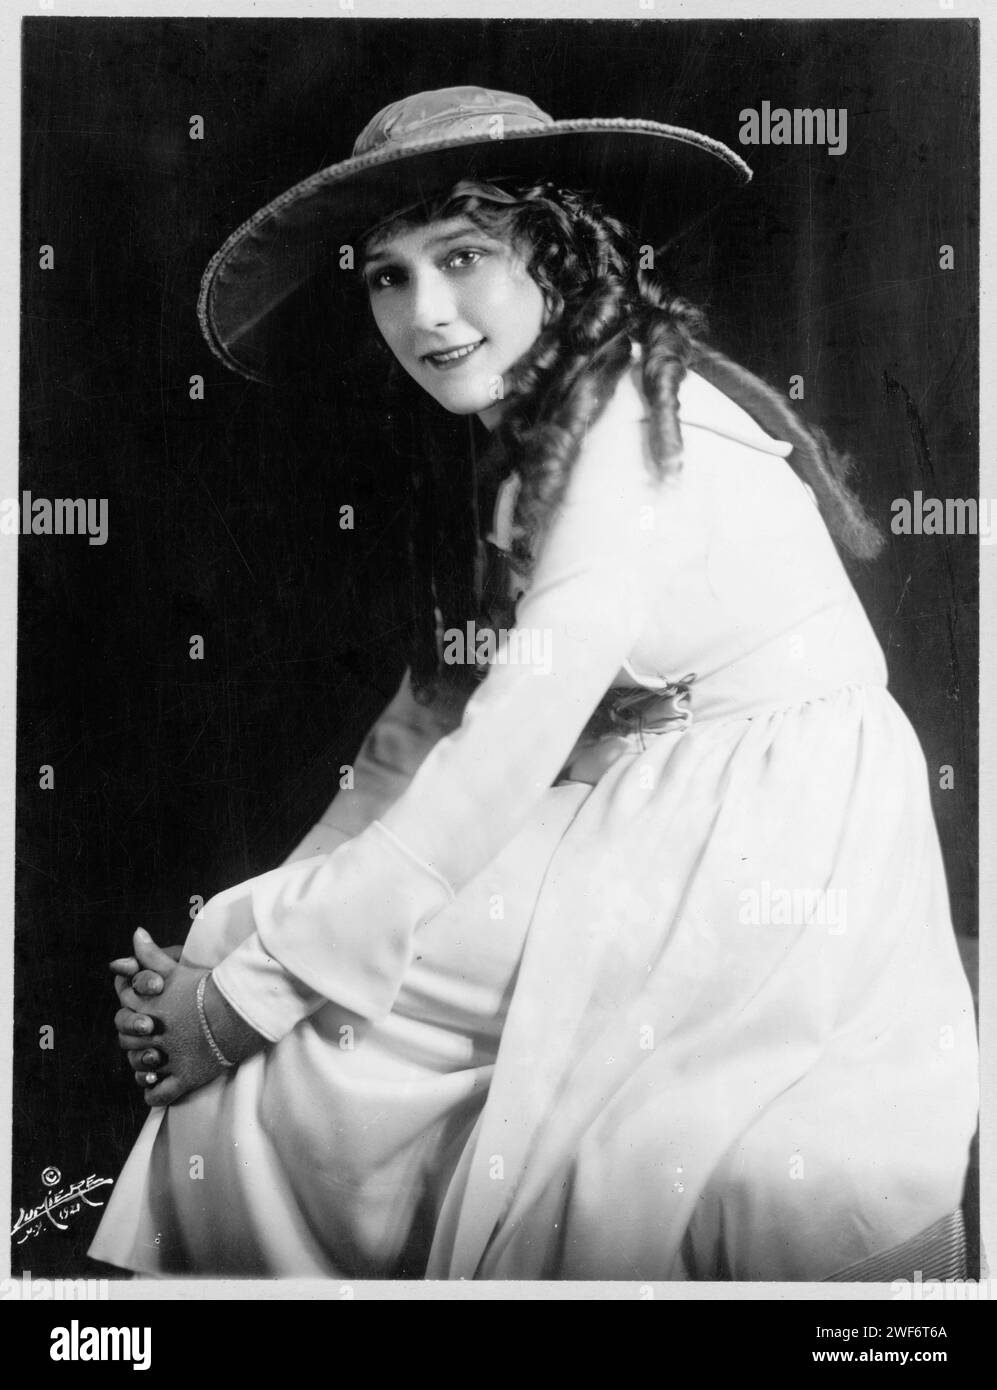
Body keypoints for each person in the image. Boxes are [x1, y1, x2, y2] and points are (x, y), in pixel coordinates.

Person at [89, 86, 978, 1281]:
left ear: (558, 254)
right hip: (654, 806)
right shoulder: (529, 432)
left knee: (301, 1017)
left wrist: (243, 997)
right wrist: (248, 935)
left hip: (763, 845)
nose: (428, 313)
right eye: (390, 278)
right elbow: (425, 725)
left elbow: (504, 750)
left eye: (464, 257)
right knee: (256, 930)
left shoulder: (622, 425)